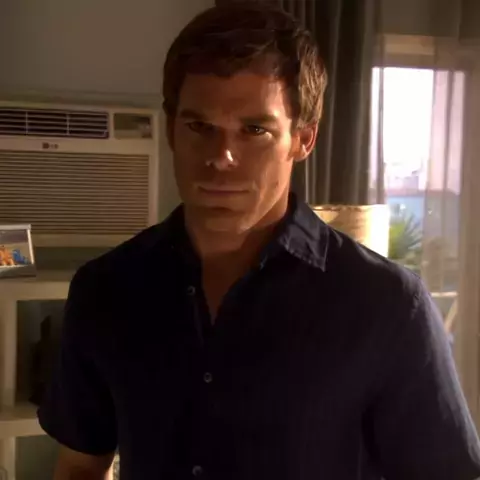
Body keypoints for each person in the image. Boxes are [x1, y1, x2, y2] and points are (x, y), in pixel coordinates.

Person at [38, 2, 480, 479]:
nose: (221, 157)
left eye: (254, 130)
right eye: (200, 126)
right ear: (170, 130)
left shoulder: (386, 305)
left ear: (303, 139)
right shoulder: (106, 290)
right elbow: (80, 466)